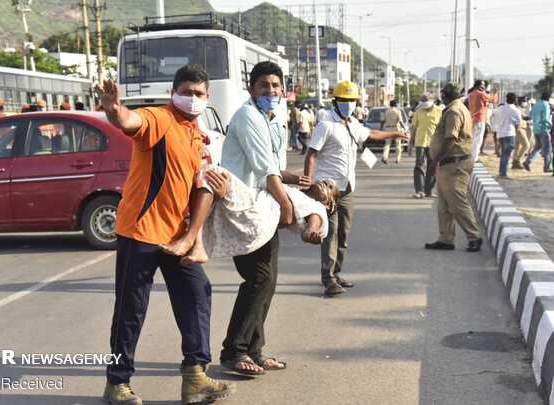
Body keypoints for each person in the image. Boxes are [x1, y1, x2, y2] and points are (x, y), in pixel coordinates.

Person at [97, 64, 235, 405]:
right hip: (139, 232)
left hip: (176, 237)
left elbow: (196, 188)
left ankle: (194, 375)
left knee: (197, 293)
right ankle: (117, 383)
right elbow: (130, 121)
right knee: (131, 310)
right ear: (174, 92)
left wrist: (195, 231)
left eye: (199, 94)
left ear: (208, 97)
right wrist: (115, 111)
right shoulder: (160, 118)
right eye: (186, 92)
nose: (192, 98)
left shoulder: (196, 134)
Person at [219, 61, 311, 376]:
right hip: (243, 207)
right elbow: (263, 168)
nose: (270, 91)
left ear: (282, 90)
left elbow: (275, 167)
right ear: (251, 89)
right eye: (263, 86)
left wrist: (296, 180)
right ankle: (235, 350)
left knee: (267, 282)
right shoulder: (247, 116)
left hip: (263, 205)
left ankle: (254, 351)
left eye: (275, 86)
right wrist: (286, 203)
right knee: (257, 278)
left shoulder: (273, 119)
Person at [303, 80, 410, 297]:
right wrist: (308, 181)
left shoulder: (352, 123)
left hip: (347, 188)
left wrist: (395, 134)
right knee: (330, 232)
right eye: (344, 100)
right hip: (327, 189)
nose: (348, 104)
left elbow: (371, 134)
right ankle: (328, 277)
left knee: (344, 233)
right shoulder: (326, 125)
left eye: (352, 100)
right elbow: (311, 154)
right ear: (335, 101)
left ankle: (337, 271)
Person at [159, 164, 337, 263]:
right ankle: (195, 244)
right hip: (254, 217)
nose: (324, 183)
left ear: (328, 205)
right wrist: (296, 179)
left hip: (259, 213)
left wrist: (311, 234)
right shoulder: (297, 193)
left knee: (212, 173)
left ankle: (193, 241)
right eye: (325, 180)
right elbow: (273, 173)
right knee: (205, 193)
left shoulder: (317, 209)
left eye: (330, 187)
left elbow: (309, 228)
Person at [425, 82, 483, 253]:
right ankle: (446, 239)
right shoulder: (456, 108)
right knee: (444, 205)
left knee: (457, 203)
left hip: (455, 163)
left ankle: (474, 237)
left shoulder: (454, 112)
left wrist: (434, 162)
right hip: (448, 164)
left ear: (445, 96)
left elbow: (451, 139)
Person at [410, 93, 442, 198]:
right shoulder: (418, 112)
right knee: (419, 166)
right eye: (423, 102)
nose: (425, 105)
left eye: (426, 102)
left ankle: (429, 190)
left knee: (432, 167)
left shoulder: (439, 112)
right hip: (420, 143)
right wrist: (410, 143)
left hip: (434, 144)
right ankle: (419, 190)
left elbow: (442, 128)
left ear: (432, 101)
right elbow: (414, 128)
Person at [468, 79, 498, 160]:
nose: (484, 87)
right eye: (483, 85)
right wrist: (495, 94)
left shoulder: (471, 94)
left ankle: (472, 156)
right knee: (478, 140)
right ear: (479, 85)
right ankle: (475, 157)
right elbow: (493, 100)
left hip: (473, 119)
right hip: (480, 118)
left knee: (474, 139)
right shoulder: (481, 94)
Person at [523, 92, 553, 173]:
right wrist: (551, 124)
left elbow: (530, 116)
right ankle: (547, 167)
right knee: (547, 149)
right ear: (548, 98)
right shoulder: (546, 105)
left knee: (537, 148)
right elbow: (545, 118)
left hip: (536, 129)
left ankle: (527, 161)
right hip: (543, 129)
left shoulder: (536, 104)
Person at [494, 93, 522, 179]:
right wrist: (516, 132)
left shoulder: (500, 108)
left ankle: (501, 172)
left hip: (500, 133)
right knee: (507, 154)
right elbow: (518, 123)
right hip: (509, 133)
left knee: (503, 154)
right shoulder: (516, 110)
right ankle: (504, 174)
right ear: (515, 100)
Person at [381, 99, 407, 164]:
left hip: (388, 129)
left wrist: (381, 129)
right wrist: (404, 128)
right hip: (396, 129)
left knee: (387, 144)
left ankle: (385, 157)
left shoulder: (386, 112)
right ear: (396, 105)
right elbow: (400, 121)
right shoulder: (398, 111)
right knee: (398, 144)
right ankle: (398, 159)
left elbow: (382, 121)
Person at [511, 98, 531, 169]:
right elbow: (524, 118)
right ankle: (517, 160)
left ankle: (514, 163)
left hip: (518, 130)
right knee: (527, 145)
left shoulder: (518, 109)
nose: (525, 103)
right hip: (520, 129)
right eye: (524, 102)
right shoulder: (519, 109)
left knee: (517, 147)